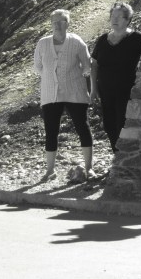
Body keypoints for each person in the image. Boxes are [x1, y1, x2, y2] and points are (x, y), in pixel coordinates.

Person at [33, 9, 94, 181]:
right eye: (55, 22)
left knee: (82, 127)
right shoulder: (43, 43)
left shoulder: (76, 42)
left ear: (68, 23)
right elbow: (38, 66)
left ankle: (89, 168)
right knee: (51, 130)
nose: (58, 25)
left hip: (75, 91)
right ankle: (50, 170)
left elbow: (87, 65)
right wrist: (52, 78)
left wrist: (75, 78)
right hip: (50, 93)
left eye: (62, 22)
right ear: (51, 24)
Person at [90, 2, 141, 153]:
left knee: (122, 124)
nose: (114, 20)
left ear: (128, 20)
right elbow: (94, 65)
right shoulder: (103, 40)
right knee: (109, 125)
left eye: (119, 17)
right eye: (112, 16)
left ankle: (125, 157)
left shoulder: (139, 39)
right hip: (105, 92)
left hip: (127, 92)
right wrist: (93, 89)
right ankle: (117, 155)